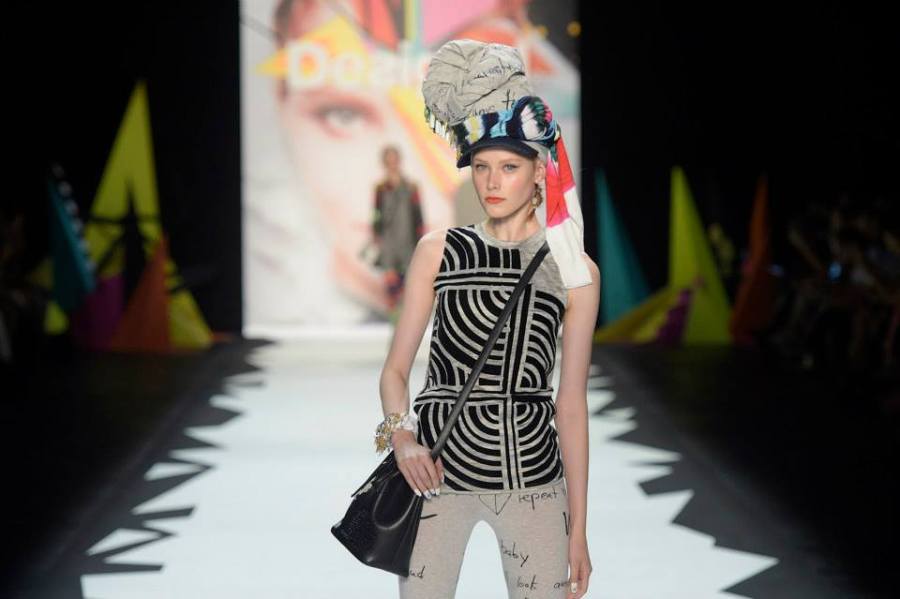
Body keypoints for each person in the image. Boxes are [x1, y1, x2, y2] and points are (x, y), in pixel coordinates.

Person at [373, 40, 600, 599]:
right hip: (436, 475)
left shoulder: (574, 270)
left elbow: (571, 404)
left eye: (509, 167)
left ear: (539, 171)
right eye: (481, 167)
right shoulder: (438, 251)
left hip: (533, 482)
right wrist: (401, 438)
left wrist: (578, 529)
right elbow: (395, 370)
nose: (493, 183)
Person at [372, 145, 425, 315]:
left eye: (394, 160)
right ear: (384, 163)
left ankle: (405, 316)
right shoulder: (380, 188)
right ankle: (394, 317)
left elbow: (418, 214)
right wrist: (376, 234)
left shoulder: (411, 187)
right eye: (388, 161)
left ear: (399, 161)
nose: (392, 164)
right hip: (388, 239)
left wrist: (421, 238)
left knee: (406, 280)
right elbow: (376, 213)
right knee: (390, 280)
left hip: (408, 238)